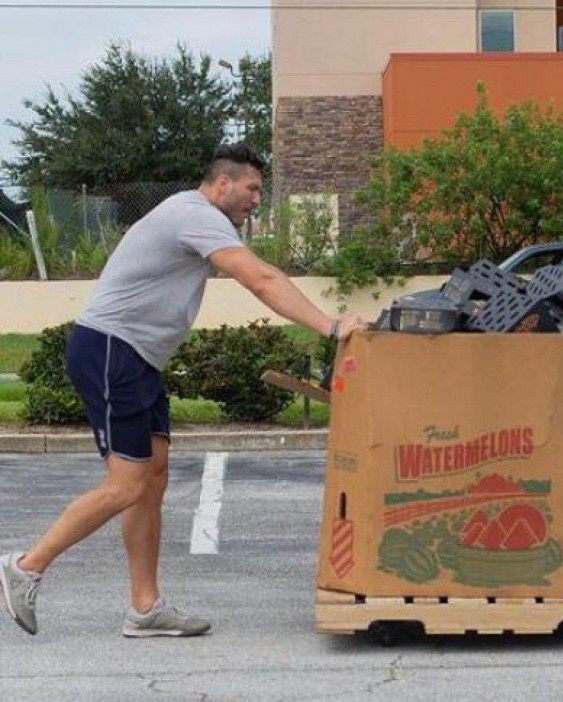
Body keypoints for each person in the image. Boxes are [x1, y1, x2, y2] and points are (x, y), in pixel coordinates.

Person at [0, 144, 368, 638]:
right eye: (252, 188)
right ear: (222, 184)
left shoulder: (193, 214)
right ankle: (25, 566)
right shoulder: (194, 214)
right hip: (113, 350)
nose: (256, 199)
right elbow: (259, 278)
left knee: (152, 479)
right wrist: (330, 324)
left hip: (138, 359)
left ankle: (145, 607)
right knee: (127, 484)